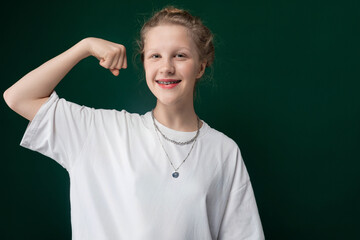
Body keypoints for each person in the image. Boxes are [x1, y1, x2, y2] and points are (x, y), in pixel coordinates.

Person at [3, 6, 265, 240]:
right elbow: (18, 97)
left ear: (200, 67)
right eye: (155, 56)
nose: (166, 67)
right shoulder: (100, 131)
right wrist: (84, 47)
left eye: (180, 56)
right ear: (143, 63)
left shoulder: (224, 151)